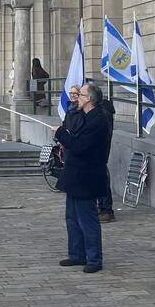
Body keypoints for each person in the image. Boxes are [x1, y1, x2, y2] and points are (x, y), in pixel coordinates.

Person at [50, 83, 110, 273]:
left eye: (81, 95)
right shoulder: (83, 115)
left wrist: (60, 133)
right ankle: (77, 254)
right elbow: (74, 132)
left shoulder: (98, 119)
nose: (77, 98)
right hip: (75, 174)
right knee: (72, 217)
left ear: (89, 99)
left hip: (87, 175)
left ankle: (94, 258)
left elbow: (80, 145)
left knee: (87, 218)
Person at [96, 94, 117, 223]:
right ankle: (102, 207)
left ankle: (107, 210)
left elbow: (103, 134)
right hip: (98, 151)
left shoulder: (103, 113)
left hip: (100, 152)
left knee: (102, 181)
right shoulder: (100, 111)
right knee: (98, 181)